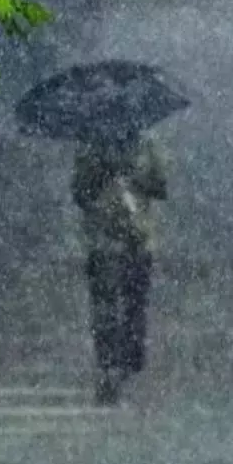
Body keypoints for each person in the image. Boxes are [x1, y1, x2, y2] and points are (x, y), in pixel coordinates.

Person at [71, 129, 167, 405]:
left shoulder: (148, 143)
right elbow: (79, 192)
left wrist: (135, 176)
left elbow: (160, 187)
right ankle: (108, 368)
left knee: (134, 306)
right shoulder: (88, 146)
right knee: (105, 309)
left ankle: (128, 367)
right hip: (102, 241)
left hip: (138, 240)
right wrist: (102, 173)